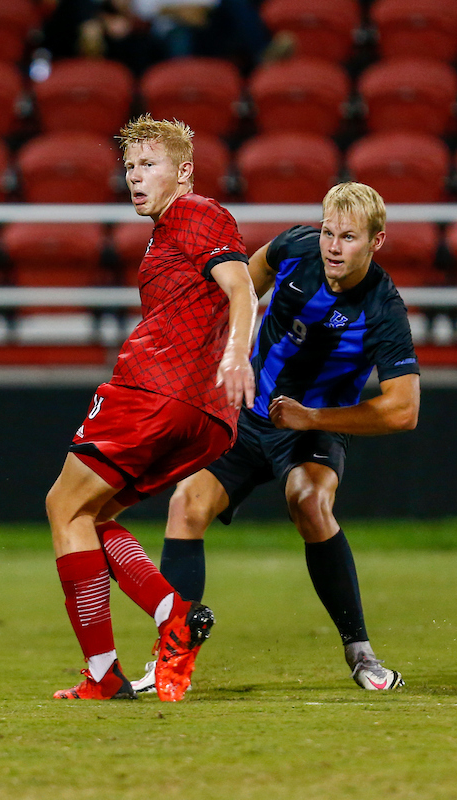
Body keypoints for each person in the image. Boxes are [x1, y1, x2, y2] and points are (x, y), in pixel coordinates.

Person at [131, 182, 419, 694]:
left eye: (348, 237)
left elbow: (403, 410)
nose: (333, 246)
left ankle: (361, 653)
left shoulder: (383, 308)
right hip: (245, 414)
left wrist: (310, 418)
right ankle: (169, 660)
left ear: (376, 242)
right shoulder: (295, 248)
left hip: (310, 425)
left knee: (309, 503)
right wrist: (223, 353)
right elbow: (241, 284)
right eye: (329, 232)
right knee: (185, 504)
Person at [47, 114, 257, 701]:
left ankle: (110, 669)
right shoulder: (168, 231)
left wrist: (238, 354)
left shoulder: (196, 213)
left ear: (183, 172)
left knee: (63, 508)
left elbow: (242, 288)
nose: (136, 178)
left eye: (149, 165)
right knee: (94, 517)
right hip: (204, 416)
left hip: (154, 391)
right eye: (131, 167)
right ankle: (169, 617)